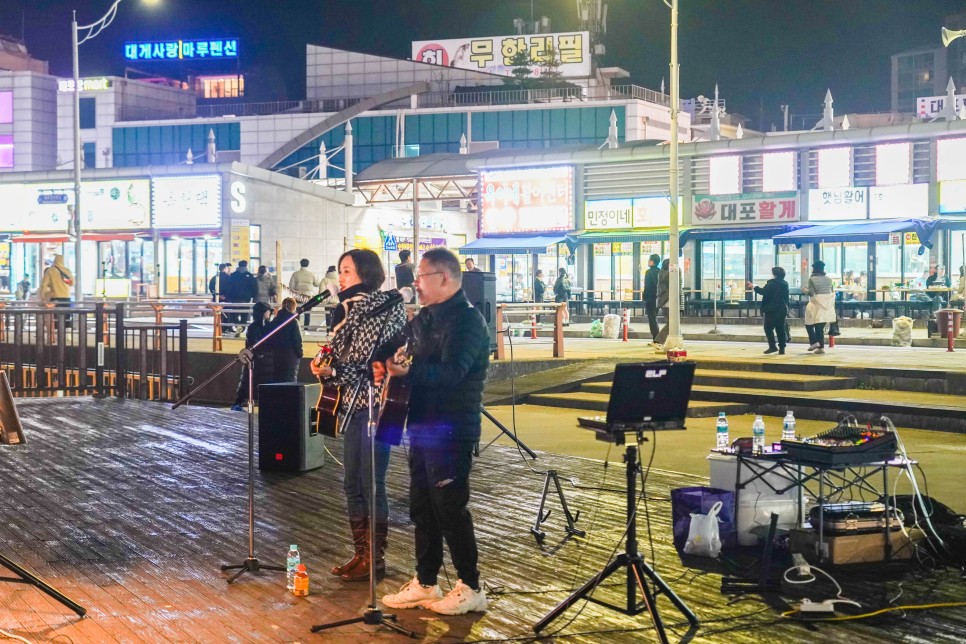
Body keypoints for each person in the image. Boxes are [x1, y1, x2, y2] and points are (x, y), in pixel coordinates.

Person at [377, 248, 490, 616]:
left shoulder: (468, 322)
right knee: (421, 507)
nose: (415, 285)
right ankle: (426, 581)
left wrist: (408, 373)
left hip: (453, 426)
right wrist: (382, 363)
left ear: (444, 277)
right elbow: (393, 346)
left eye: (421, 277)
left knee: (450, 507)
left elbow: (452, 373)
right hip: (421, 425)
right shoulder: (424, 318)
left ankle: (471, 586)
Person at [310, 249, 406, 582]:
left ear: (366, 273)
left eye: (347, 271)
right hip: (350, 404)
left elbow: (367, 364)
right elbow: (336, 357)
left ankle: (375, 558)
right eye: (340, 271)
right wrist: (322, 365)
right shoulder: (344, 311)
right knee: (352, 484)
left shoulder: (384, 308)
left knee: (372, 483)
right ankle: (361, 553)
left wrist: (330, 371)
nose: (342, 277)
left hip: (380, 405)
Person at [230, 301, 275, 412]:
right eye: (268, 311)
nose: (269, 313)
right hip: (259, 360)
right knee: (250, 383)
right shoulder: (261, 327)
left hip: (257, 360)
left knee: (248, 383)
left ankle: (239, 402)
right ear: (263, 313)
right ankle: (238, 403)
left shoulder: (255, 327)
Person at [748, 267, 790, 355]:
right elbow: (786, 299)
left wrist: (754, 287)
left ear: (775, 274)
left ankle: (772, 346)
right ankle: (782, 348)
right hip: (782, 309)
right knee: (780, 329)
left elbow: (762, 292)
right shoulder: (785, 284)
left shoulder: (771, 284)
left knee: (768, 328)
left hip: (771, 309)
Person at [804, 260, 835, 354]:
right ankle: (820, 347)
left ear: (814, 269)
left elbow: (811, 293)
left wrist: (804, 290)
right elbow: (831, 291)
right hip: (828, 305)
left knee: (808, 324)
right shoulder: (829, 279)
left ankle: (814, 342)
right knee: (820, 326)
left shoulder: (812, 279)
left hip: (816, 305)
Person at [268, 298, 302, 382]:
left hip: (276, 355)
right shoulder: (293, 322)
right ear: (293, 308)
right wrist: (300, 353)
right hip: (290, 357)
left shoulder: (275, 320)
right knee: (289, 382)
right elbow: (296, 340)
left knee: (277, 380)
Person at [224, 260, 258, 335]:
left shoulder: (233, 275)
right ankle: (242, 327)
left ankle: (238, 326)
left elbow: (229, 287)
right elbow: (254, 287)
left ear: (238, 266)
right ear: (246, 266)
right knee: (244, 314)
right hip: (246, 299)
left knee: (234, 314)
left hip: (234, 299)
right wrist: (252, 295)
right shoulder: (249, 275)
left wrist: (229, 296)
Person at [289, 258, 320, 328]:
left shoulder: (295, 274)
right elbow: (317, 284)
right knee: (307, 313)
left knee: (297, 312)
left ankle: (297, 327)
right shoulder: (311, 274)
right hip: (308, 297)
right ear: (308, 264)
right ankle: (306, 328)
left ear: (300, 264)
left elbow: (291, 286)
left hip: (298, 297)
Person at [642, 254, 661, 344]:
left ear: (652, 261)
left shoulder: (648, 272)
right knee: (654, 317)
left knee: (652, 318)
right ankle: (656, 337)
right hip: (658, 298)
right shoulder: (660, 272)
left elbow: (647, 286)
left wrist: (644, 297)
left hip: (650, 298)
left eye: (649, 260)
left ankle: (656, 338)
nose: (648, 261)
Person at [653, 259, 671, 348]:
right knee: (672, 324)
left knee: (672, 324)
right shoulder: (668, 275)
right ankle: (658, 341)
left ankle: (675, 339)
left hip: (663, 302)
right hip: (668, 301)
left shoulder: (661, 273)